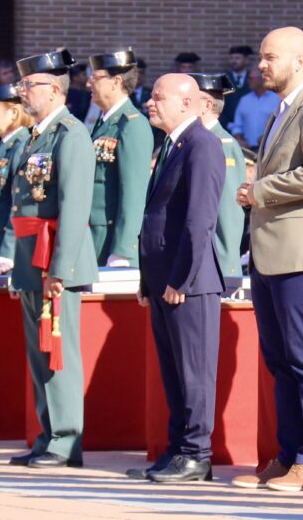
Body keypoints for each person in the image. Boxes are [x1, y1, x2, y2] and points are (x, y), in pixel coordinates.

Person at [232, 26, 303, 492]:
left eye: (269, 57)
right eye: (260, 57)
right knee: (280, 360)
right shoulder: (281, 110)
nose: (261, 65)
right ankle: (287, 454)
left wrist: (259, 191)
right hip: (271, 253)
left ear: (299, 60)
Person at [128, 73, 225, 483]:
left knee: (193, 371)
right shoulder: (173, 144)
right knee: (173, 372)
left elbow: (198, 219)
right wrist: (149, 279)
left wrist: (180, 278)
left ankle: (196, 454)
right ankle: (176, 450)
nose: (150, 103)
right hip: (165, 279)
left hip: (189, 283)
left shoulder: (202, 146)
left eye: (158, 97)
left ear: (187, 103)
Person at [7, 49, 98, 468]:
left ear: (56, 90)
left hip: (57, 259)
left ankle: (66, 440)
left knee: (58, 352)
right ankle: (47, 434)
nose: (23, 92)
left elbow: (75, 205)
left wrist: (60, 269)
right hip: (32, 256)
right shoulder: (35, 136)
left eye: (31, 85)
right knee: (38, 354)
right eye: (23, 84)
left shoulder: (71, 134)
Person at [86, 47, 153, 267]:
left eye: (95, 78)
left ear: (115, 82)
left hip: (110, 239)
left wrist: (123, 249)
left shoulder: (131, 124)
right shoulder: (104, 123)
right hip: (94, 235)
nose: (88, 84)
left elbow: (134, 193)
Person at [191, 73, 247, 277]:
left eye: (189, 99)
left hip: (214, 266)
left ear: (206, 105)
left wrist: (226, 261)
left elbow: (228, 210)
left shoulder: (222, 144)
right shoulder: (194, 141)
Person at [0, 83, 32, 271]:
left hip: (4, 250)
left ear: (14, 113)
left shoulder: (21, 146)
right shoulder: (4, 147)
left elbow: (18, 202)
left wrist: (8, 250)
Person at [231, 68, 279, 151]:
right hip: (248, 149)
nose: (248, 81)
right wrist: (240, 140)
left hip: (270, 149)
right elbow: (237, 125)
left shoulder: (277, 99)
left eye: (251, 78)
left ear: (262, 78)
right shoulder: (244, 100)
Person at [220, 45, 253, 128]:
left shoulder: (253, 78)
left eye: (237, 58)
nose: (234, 61)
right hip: (228, 126)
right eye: (231, 58)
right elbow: (218, 104)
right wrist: (226, 123)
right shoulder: (223, 79)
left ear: (246, 60)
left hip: (250, 127)